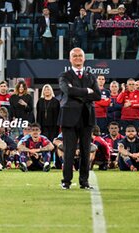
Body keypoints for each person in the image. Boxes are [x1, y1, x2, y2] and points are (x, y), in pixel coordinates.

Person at [58, 47, 101, 190]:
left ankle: (84, 182)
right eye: (74, 56)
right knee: (69, 151)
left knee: (85, 151)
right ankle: (66, 181)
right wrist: (87, 91)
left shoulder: (90, 76)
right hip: (69, 119)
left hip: (86, 118)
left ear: (84, 58)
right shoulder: (65, 76)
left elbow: (98, 95)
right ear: (70, 59)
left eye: (80, 56)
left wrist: (79, 93)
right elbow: (68, 91)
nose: (77, 58)